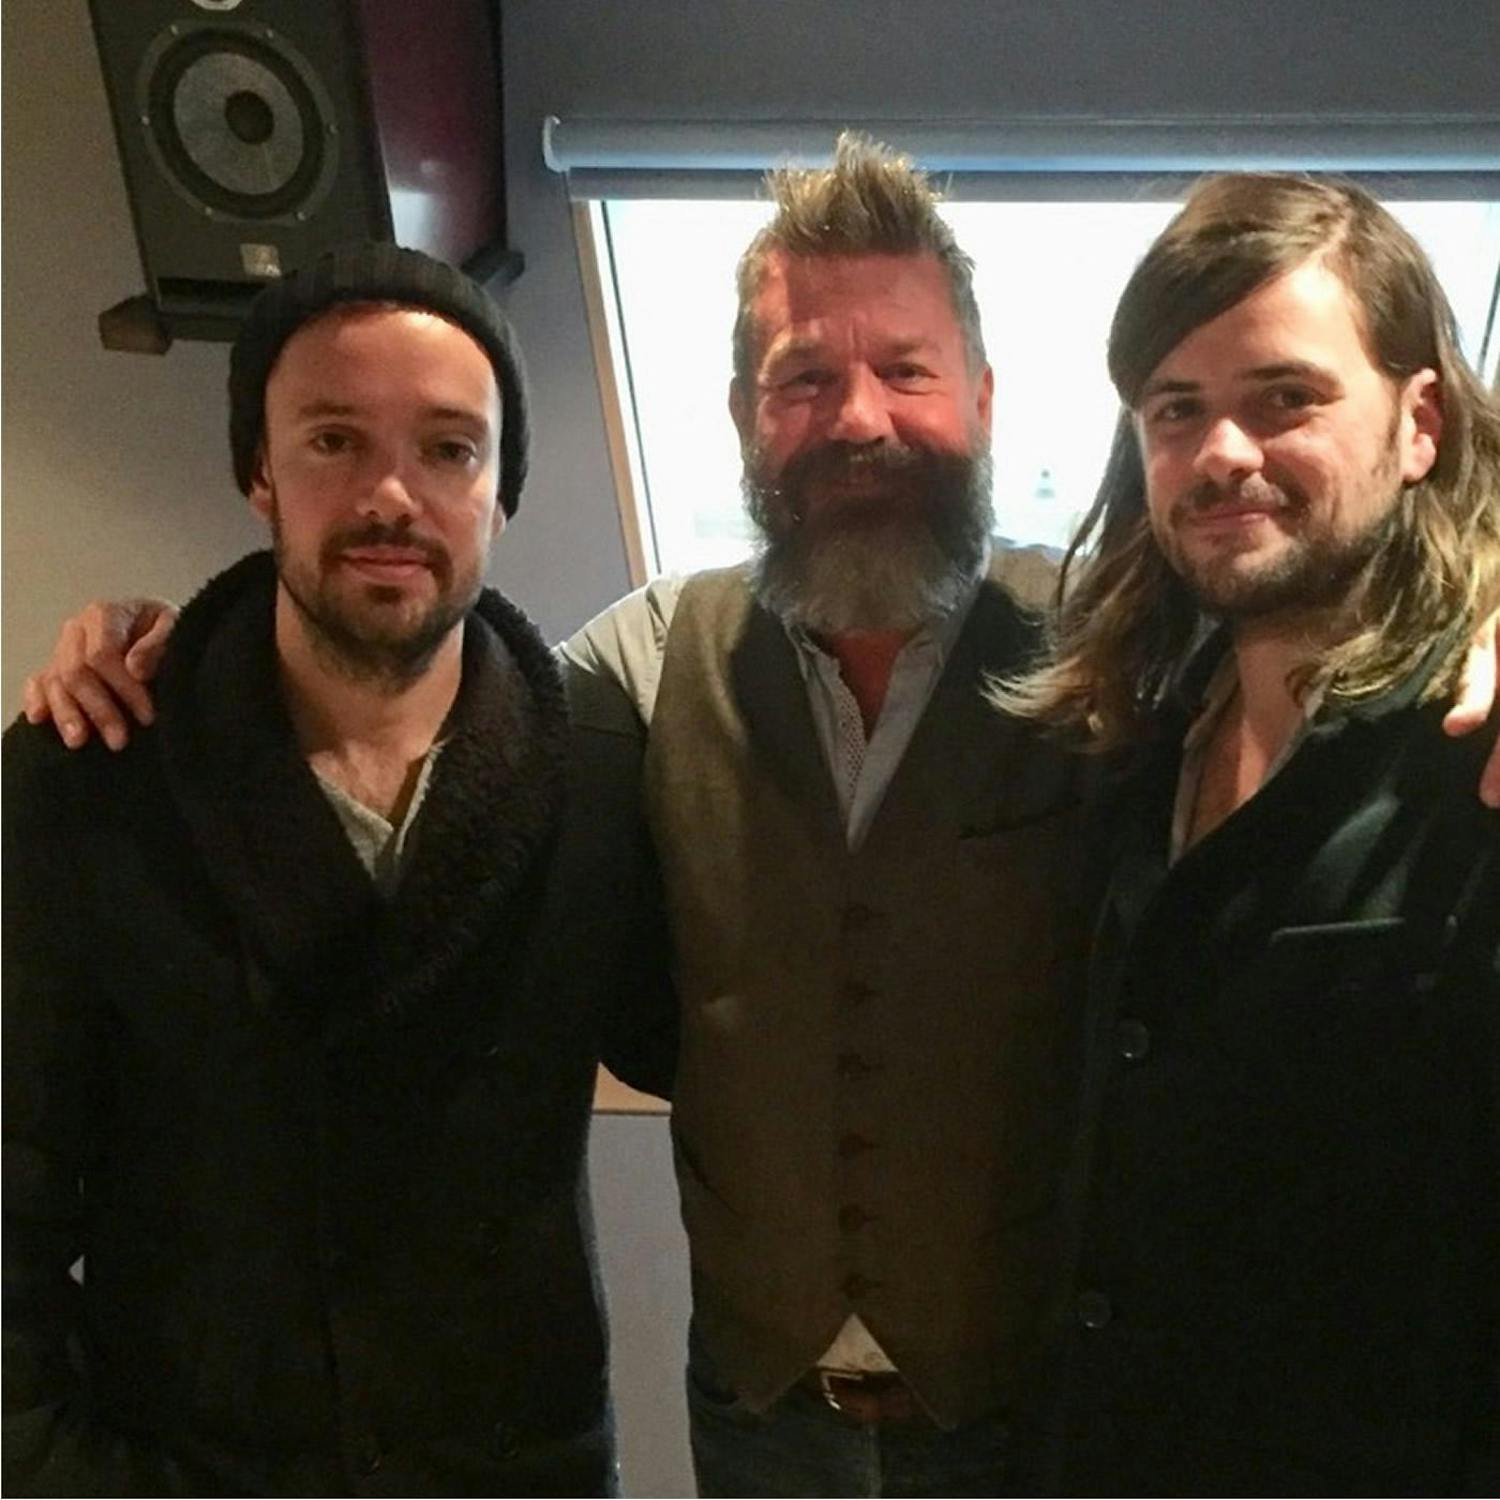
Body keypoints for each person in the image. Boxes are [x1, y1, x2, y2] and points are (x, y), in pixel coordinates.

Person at [19, 143, 1500, 1499]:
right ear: (741, 417)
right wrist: (165, 653)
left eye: (907, 370)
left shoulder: (1119, 653)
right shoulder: (630, 671)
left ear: (984, 400)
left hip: (1038, 1422)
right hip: (754, 1424)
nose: (858, 420)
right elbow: (423, 702)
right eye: (803, 378)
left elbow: (1343, 574)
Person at [3, 244, 672, 1496]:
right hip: (185, 1473)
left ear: (501, 493)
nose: (391, 496)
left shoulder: (596, 773)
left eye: (449, 449)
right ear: (258, 469)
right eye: (333, 441)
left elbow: (711, 1041)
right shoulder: (90, 775)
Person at [998, 173, 1500, 1492]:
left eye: (1286, 397)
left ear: (1420, 424)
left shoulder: (1477, 758)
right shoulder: (1132, 729)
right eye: (1178, 409)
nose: (1222, 451)